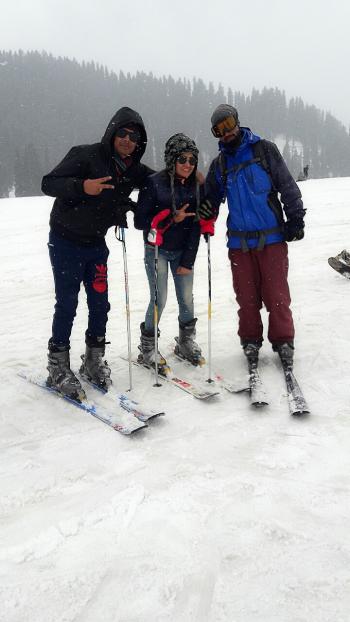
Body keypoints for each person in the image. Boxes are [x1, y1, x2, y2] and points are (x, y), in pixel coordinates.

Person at [42, 106, 154, 399]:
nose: (128, 140)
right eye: (123, 133)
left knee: (100, 302)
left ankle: (93, 360)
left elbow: (159, 181)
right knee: (67, 302)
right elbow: (48, 183)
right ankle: (57, 366)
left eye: (134, 136)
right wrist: (82, 186)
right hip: (65, 240)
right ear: (112, 133)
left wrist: (195, 179)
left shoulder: (133, 169)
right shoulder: (85, 154)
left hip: (95, 245)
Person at [199, 104, 305, 366]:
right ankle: (250, 341)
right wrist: (206, 212)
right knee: (246, 299)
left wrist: (296, 218)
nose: (226, 133)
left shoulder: (264, 150)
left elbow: (287, 185)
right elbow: (211, 199)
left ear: (237, 122)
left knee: (277, 296)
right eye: (218, 130)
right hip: (239, 243)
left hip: (272, 239)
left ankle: (283, 340)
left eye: (228, 125)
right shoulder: (220, 165)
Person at [134, 133, 207, 371]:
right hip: (156, 250)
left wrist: (188, 260)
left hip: (182, 251)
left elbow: (197, 226)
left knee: (187, 299)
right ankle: (147, 348)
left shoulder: (197, 187)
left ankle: (185, 342)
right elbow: (140, 221)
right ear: (171, 159)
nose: (188, 164)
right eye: (182, 159)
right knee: (160, 299)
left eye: (192, 160)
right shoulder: (154, 182)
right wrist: (169, 218)